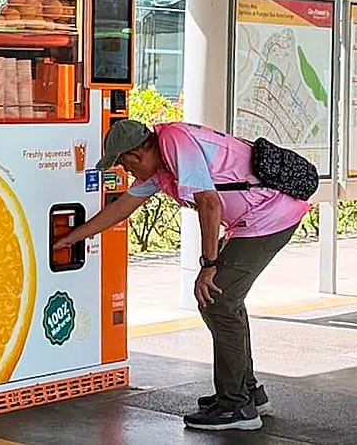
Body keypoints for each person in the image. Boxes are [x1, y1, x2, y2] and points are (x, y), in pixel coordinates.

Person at [54, 119, 309, 432]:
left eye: (123, 165)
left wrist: (209, 264)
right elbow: (122, 209)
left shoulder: (174, 141)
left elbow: (209, 203)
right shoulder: (161, 169)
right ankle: (248, 394)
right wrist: (74, 236)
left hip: (269, 216)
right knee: (225, 300)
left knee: (217, 298)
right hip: (255, 220)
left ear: (136, 155)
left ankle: (236, 406)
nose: (127, 172)